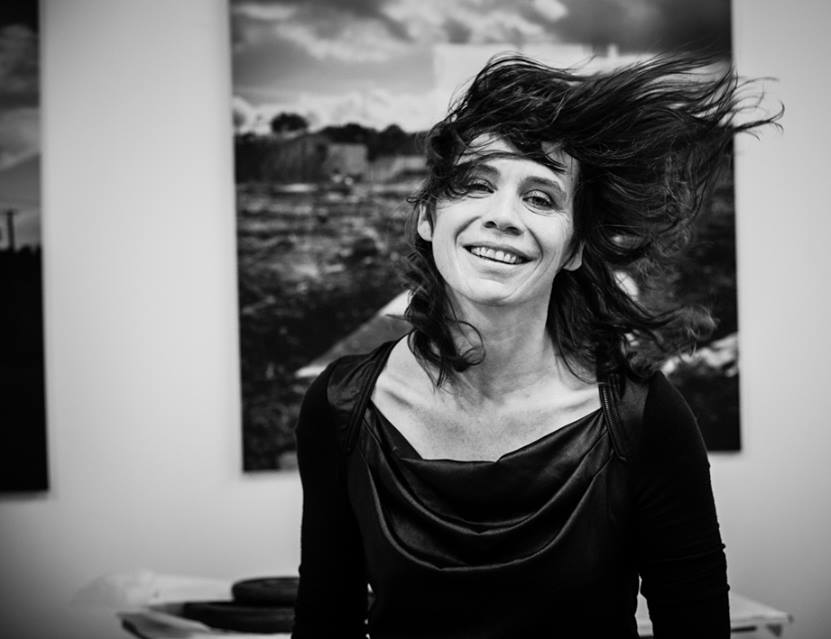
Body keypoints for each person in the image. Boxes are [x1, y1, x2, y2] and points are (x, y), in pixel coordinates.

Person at [292, 53, 777, 638]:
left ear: (574, 249)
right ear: (427, 217)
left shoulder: (643, 417)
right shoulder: (342, 407)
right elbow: (324, 621)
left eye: (541, 198)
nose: (502, 217)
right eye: (476, 185)